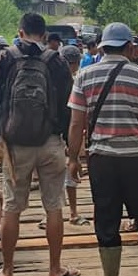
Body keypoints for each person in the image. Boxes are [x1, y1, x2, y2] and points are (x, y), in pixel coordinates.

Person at [67, 22, 138, 276]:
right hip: (134, 158)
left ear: (102, 46)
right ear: (129, 47)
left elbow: (76, 123)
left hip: (101, 159)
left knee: (106, 219)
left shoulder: (84, 75)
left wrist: (73, 159)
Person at [0, 13, 79, 276]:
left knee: (12, 208)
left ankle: (7, 271)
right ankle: (54, 269)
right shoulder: (56, 60)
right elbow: (68, 103)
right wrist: (65, 141)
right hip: (50, 141)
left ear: (20, 32)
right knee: (53, 207)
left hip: (15, 144)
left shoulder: (4, 59)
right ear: (44, 33)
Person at [38, 45, 90, 228]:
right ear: (75, 63)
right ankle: (73, 212)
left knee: (51, 177)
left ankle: (49, 214)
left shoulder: (46, 77)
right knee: (69, 173)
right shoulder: (74, 80)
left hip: (46, 134)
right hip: (65, 133)